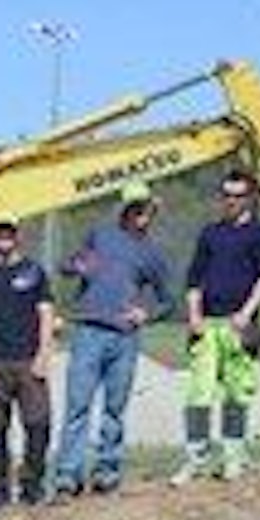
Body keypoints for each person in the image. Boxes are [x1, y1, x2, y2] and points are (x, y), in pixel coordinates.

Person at [53, 181, 173, 497]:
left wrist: (145, 313)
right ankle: (68, 474)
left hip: (124, 339)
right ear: (123, 210)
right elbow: (66, 265)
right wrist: (76, 265)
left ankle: (107, 471)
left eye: (143, 208)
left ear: (151, 211)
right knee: (78, 406)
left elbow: (167, 301)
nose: (138, 214)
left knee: (114, 409)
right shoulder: (100, 236)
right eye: (132, 208)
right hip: (89, 332)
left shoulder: (153, 255)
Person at [171, 169, 260, 485]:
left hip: (238, 326)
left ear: (249, 198)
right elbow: (194, 279)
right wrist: (193, 315)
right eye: (226, 195)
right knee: (198, 396)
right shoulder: (210, 234)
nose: (231, 201)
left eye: (238, 195)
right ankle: (195, 459)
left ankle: (233, 458)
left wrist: (246, 313)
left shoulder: (259, 235)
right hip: (207, 327)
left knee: (236, 395)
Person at [0, 211, 55, 512]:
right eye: (0, 232)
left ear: (18, 235)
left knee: (38, 423)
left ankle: (32, 486)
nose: (5, 237)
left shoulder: (34, 272)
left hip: (29, 361)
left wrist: (44, 354)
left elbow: (46, 315)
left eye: (10, 232)